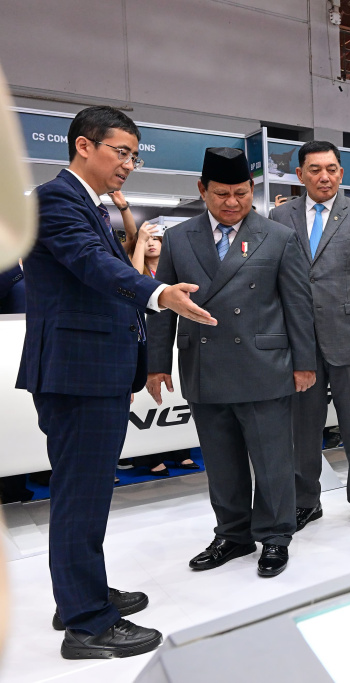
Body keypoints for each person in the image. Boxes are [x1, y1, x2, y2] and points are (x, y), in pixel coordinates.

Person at [18, 105, 216, 659]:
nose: (129, 163)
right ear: (84, 145)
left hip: (92, 369)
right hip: (75, 372)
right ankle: (86, 625)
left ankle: (80, 595)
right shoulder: (58, 199)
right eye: (120, 151)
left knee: (87, 491)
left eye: (134, 153)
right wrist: (157, 294)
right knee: (80, 495)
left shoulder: (89, 205)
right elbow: (90, 266)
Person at [147, 147, 316, 578]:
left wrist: (305, 362)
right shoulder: (179, 238)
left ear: (252, 189)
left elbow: (298, 304)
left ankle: (276, 536)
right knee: (221, 461)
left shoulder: (277, 236)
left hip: (264, 364)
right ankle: (233, 533)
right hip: (204, 363)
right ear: (202, 190)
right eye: (221, 193)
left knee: (272, 459)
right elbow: (166, 303)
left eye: (241, 193)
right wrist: (157, 363)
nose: (231, 202)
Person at [269, 141, 350, 535]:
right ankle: (307, 501)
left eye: (332, 169)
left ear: (341, 173)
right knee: (303, 428)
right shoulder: (278, 216)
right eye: (316, 169)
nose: (325, 176)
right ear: (300, 174)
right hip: (297, 340)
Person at [131, 223, 201, 476]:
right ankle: (151, 456)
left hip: (180, 335)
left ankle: (181, 453)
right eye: (147, 240)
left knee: (175, 398)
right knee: (150, 403)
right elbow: (133, 282)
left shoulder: (181, 266)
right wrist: (138, 241)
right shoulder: (139, 267)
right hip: (147, 331)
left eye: (155, 239)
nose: (151, 243)